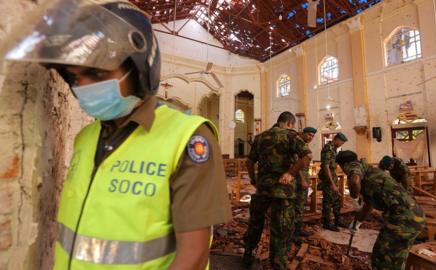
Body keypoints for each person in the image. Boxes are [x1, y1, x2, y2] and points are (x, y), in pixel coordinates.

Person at [4, 1, 232, 269]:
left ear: (139, 71)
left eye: (98, 73)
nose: (85, 87)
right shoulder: (86, 137)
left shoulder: (188, 139)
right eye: (75, 78)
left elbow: (192, 257)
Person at [243, 112, 312, 269]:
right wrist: (290, 173)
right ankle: (278, 264)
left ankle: (248, 254)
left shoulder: (260, 137)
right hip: (283, 191)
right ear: (289, 123)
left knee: (255, 223)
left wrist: (253, 179)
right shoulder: (291, 137)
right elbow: (307, 156)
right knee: (281, 227)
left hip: (263, 188)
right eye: (292, 125)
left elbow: (249, 161)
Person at [336, 151, 426, 270]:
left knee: (382, 260)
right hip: (413, 216)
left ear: (343, 165)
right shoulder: (367, 171)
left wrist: (354, 199)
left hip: (403, 220)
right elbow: (369, 205)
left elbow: (354, 181)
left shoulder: (353, 166)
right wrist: (357, 222)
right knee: (396, 258)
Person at [318, 133, 348, 231]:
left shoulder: (334, 149)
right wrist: (332, 184)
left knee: (337, 199)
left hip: (332, 176)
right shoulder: (328, 148)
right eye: (341, 142)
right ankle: (327, 223)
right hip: (328, 178)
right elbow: (326, 167)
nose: (341, 145)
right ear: (336, 139)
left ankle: (337, 220)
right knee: (328, 201)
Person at [293, 127, 317, 239]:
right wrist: (302, 179)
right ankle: (295, 231)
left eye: (312, 136)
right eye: (309, 135)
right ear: (303, 133)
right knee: (298, 205)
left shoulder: (304, 144)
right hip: (298, 179)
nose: (310, 137)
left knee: (301, 205)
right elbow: (296, 164)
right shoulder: (298, 145)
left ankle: (297, 228)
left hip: (303, 178)